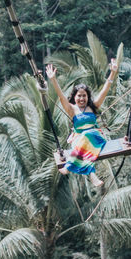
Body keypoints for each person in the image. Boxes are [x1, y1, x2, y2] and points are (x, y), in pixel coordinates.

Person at [45, 59, 118, 187]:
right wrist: (53, 80)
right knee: (81, 141)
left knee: (86, 136)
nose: (82, 98)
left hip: (95, 137)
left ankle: (69, 167)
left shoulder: (93, 107)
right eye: (79, 96)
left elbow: (104, 91)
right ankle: (92, 175)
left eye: (84, 95)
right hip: (79, 140)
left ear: (88, 97)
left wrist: (112, 73)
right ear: (74, 97)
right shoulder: (72, 109)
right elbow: (61, 96)